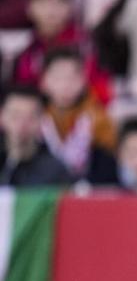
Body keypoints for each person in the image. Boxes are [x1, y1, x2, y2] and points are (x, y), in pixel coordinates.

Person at [13, 0, 111, 103]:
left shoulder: (88, 46)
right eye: (43, 3)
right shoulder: (27, 54)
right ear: (30, 7)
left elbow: (103, 91)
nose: (51, 11)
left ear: (70, 6)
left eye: (58, 3)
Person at [39, 48, 118, 181]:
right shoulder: (35, 120)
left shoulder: (99, 119)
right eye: (58, 78)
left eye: (72, 77)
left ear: (83, 80)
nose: (65, 84)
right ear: (44, 82)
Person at [0, 86, 71, 186]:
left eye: (30, 117)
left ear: (41, 120)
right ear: (2, 116)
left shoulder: (55, 170)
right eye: (15, 116)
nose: (22, 124)